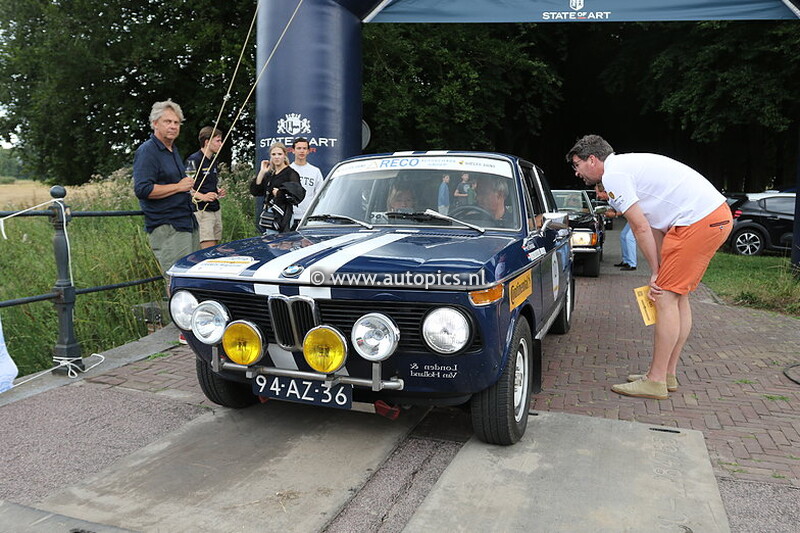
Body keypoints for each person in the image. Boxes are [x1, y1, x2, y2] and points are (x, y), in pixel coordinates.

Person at [567, 134, 732, 400]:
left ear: (593, 159)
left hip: (699, 221)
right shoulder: (627, 166)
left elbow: (639, 226)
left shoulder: (613, 176)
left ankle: (655, 381)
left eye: (577, 164)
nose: (577, 172)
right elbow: (653, 224)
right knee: (677, 297)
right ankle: (667, 374)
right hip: (709, 217)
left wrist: (656, 272)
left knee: (664, 296)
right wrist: (660, 268)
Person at [133, 99, 199, 278]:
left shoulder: (172, 150)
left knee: (191, 277)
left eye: (176, 122)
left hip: (186, 222)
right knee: (177, 278)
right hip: (168, 225)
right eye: (167, 121)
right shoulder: (148, 151)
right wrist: (178, 186)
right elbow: (143, 189)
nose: (173, 126)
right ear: (155, 123)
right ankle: (173, 306)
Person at [186, 126, 226, 248]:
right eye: (218, 140)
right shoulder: (193, 160)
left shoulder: (213, 160)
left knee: (216, 246)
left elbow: (207, 183)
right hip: (202, 210)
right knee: (208, 250)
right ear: (207, 142)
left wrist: (217, 191)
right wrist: (203, 196)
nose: (221, 143)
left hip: (215, 208)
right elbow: (186, 188)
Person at [250, 142, 301, 234]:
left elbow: (297, 195)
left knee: (281, 244)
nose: (276, 157)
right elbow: (255, 191)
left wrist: (279, 193)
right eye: (274, 154)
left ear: (284, 155)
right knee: (271, 244)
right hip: (270, 215)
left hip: (284, 214)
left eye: (279, 154)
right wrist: (262, 172)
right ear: (270, 156)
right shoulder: (270, 174)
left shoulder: (291, 173)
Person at [596, 183, 637, 270]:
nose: (597, 195)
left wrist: (614, 214)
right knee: (623, 235)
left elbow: (627, 207)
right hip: (631, 217)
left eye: (598, 193)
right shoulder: (610, 199)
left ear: (604, 191)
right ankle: (626, 261)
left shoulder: (614, 196)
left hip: (637, 216)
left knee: (629, 237)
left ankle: (632, 264)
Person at [290, 137, 324, 228]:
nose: (302, 151)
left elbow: (320, 195)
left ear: (308, 151)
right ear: (293, 150)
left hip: (308, 217)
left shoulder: (315, 171)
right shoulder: (288, 170)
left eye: (304, 148)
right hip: (290, 217)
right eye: (299, 148)